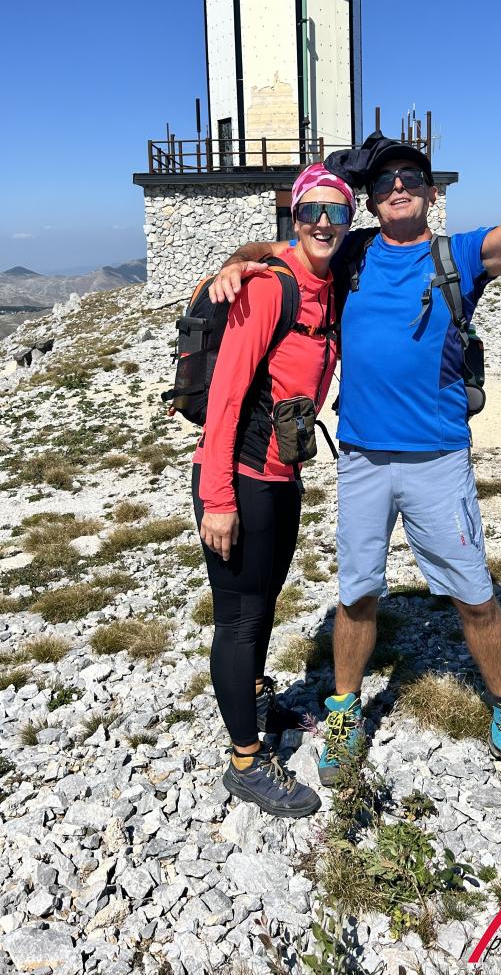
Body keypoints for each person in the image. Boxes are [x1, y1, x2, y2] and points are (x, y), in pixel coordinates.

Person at [209, 112, 501, 795]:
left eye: (410, 177)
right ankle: (344, 712)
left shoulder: (457, 256)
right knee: (356, 593)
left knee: (474, 597)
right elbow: (288, 247)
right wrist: (236, 264)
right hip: (361, 457)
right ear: (368, 198)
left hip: (437, 458)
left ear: (430, 192)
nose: (397, 186)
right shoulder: (350, 251)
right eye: (385, 179)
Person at [192, 163, 354, 817]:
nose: (323, 222)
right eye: (311, 210)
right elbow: (227, 397)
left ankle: (255, 702)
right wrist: (218, 499)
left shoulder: (327, 281)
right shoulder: (267, 290)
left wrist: (246, 252)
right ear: (294, 215)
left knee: (263, 603)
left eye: (336, 212)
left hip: (282, 476)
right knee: (239, 617)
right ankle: (245, 762)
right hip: (241, 478)